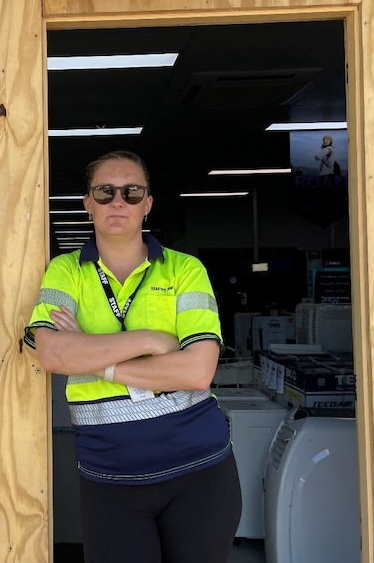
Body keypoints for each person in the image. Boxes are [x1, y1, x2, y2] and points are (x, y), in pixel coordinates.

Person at [24, 150, 241, 563]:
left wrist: (96, 359)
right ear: (88, 203)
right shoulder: (65, 271)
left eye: (131, 191)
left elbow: (198, 371)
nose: (118, 201)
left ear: (148, 203)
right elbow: (51, 353)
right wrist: (150, 339)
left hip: (199, 470)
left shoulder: (184, 269)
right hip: (110, 477)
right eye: (104, 192)